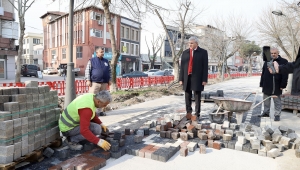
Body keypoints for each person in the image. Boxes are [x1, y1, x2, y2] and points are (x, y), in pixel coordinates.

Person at [179, 36, 208, 120]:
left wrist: (204, 79)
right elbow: (182, 67)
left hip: (197, 77)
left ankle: (197, 113)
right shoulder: (185, 53)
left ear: (196, 43)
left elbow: (205, 67)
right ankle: (188, 112)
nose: (190, 44)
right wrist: (181, 79)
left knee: (197, 96)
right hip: (187, 77)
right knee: (187, 95)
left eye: (191, 43)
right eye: (189, 43)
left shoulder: (203, 52)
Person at [259, 47, 288, 121]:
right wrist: (262, 83)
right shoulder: (267, 61)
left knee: (277, 101)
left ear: (278, 53)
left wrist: (283, 85)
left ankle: (277, 115)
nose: (273, 55)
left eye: (275, 53)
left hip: (277, 85)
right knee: (266, 100)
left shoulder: (284, 61)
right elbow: (264, 73)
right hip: (267, 84)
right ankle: (266, 113)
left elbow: (285, 74)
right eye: (271, 53)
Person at [85, 47, 111, 116]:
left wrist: (109, 80)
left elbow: (109, 71)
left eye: (103, 52)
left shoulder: (106, 61)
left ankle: (100, 111)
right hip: (95, 83)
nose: (103, 53)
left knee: (103, 98)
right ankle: (91, 112)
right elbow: (87, 70)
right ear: (97, 53)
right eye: (101, 52)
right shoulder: (92, 61)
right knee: (92, 97)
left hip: (104, 83)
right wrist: (88, 80)